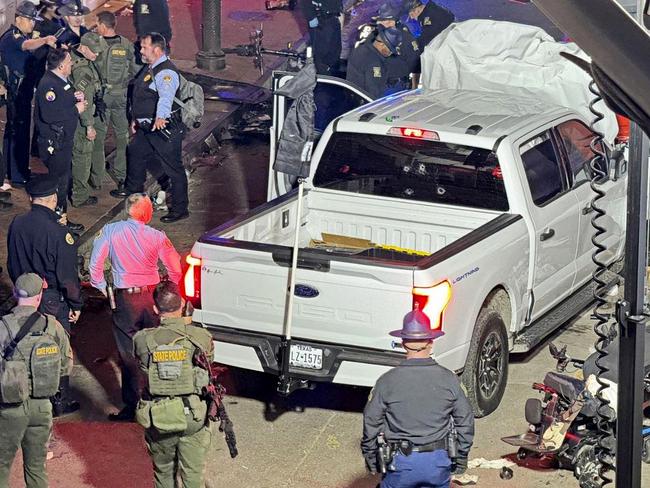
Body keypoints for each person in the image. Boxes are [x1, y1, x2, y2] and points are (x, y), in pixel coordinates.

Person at [89, 193, 182, 421]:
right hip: (151, 298)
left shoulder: (110, 231)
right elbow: (175, 269)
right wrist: (168, 290)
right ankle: (158, 398)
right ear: (147, 214)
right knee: (155, 349)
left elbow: (95, 268)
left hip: (125, 300)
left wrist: (104, 289)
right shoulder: (157, 236)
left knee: (128, 355)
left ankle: (133, 406)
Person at [361, 309, 474, 488]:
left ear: (403, 343)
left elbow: (371, 422)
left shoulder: (386, 381)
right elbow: (465, 422)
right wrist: (460, 459)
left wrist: (371, 459)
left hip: (400, 464)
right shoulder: (449, 379)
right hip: (438, 463)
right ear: (431, 343)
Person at [6, 175, 81, 416]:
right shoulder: (59, 232)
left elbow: (12, 262)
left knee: (25, 342)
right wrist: (75, 303)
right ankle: (59, 400)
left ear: (30, 198)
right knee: (56, 346)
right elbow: (67, 275)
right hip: (51, 298)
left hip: (24, 292)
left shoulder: (17, 223)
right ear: (54, 199)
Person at [133, 280, 213, 488]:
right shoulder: (200, 337)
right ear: (184, 304)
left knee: (163, 472)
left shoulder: (142, 340)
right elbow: (209, 364)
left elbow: (140, 364)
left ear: (155, 309)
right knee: (193, 474)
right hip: (192, 415)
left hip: (159, 417)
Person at [0, 273, 73, 488]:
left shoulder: (3, 326)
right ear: (39, 296)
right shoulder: (52, 327)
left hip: (9, 407)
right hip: (42, 406)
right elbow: (66, 366)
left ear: (15, 293)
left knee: (2, 467)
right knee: (36, 468)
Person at [112, 33, 189, 223]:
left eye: (144, 47)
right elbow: (140, 94)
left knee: (174, 170)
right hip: (147, 127)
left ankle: (180, 209)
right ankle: (134, 193)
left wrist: (161, 116)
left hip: (164, 129)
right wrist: (136, 120)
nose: (141, 50)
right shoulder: (150, 68)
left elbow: (166, 96)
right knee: (136, 153)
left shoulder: (166, 73)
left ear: (156, 49)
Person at [0, 1, 57, 188]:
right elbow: (27, 45)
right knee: (19, 134)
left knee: (16, 133)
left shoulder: (21, 35)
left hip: (21, 92)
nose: (33, 24)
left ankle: (15, 171)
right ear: (19, 19)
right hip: (16, 94)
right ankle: (18, 176)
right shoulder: (12, 37)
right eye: (30, 20)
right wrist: (45, 40)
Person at [35, 47, 87, 230]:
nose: (72, 63)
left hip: (64, 142)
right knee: (59, 184)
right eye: (70, 61)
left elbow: (63, 98)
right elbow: (50, 114)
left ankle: (61, 218)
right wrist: (75, 110)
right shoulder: (48, 85)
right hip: (55, 145)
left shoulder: (60, 80)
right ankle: (58, 223)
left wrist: (75, 97)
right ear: (62, 65)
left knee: (63, 181)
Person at [93, 11, 137, 194]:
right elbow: (135, 69)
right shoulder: (126, 44)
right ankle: (122, 177)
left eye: (97, 25)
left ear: (103, 25)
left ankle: (96, 178)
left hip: (102, 96)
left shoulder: (95, 44)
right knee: (122, 137)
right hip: (121, 95)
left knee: (97, 137)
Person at [69, 32, 105, 207]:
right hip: (81, 120)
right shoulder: (82, 70)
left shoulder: (73, 56)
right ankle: (80, 196)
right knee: (82, 157)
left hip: (72, 117)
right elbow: (84, 100)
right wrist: (89, 126)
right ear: (83, 47)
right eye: (93, 51)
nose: (96, 54)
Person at [346, 25, 402, 99]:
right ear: (382, 44)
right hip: (365, 104)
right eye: (390, 50)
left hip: (353, 99)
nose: (390, 53)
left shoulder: (363, 49)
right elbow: (374, 91)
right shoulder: (374, 62)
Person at [299, 0, 343, 75]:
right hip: (321, 20)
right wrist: (311, 16)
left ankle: (332, 76)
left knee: (335, 50)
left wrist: (340, 12)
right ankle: (322, 78)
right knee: (321, 53)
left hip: (333, 17)